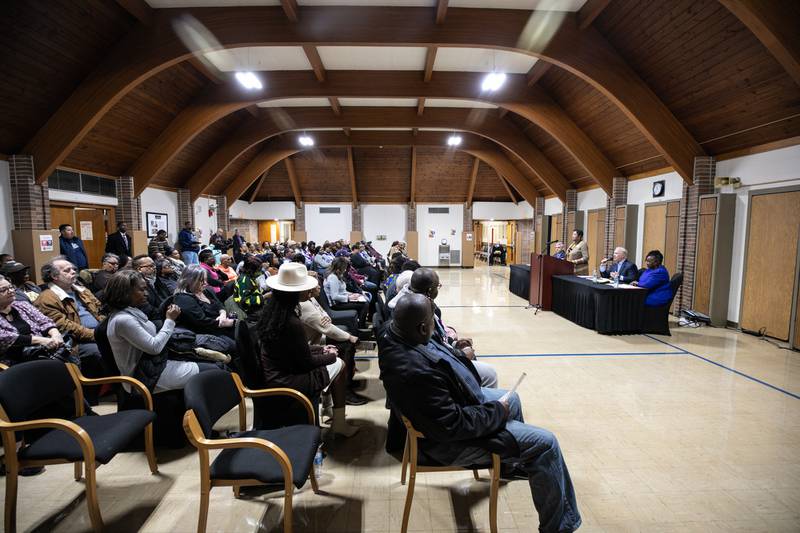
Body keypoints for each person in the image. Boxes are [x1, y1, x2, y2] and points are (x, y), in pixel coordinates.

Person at [378, 294, 581, 533]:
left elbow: (437, 359)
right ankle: (559, 527)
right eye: (431, 323)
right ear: (422, 328)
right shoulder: (416, 372)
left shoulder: (395, 332)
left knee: (512, 398)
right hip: (449, 443)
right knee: (547, 443)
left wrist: (458, 352)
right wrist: (496, 412)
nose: (433, 326)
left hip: (454, 407)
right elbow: (453, 425)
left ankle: (509, 463)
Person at [258, 263, 359, 436]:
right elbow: (306, 363)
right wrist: (331, 356)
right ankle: (339, 422)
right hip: (287, 380)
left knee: (332, 359)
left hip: (279, 370)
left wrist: (321, 350)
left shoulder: (277, 312)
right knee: (340, 364)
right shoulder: (291, 322)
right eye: (306, 288)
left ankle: (328, 410)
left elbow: (297, 350)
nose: (310, 291)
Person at [105, 270, 215, 392]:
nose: (146, 293)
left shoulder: (132, 311)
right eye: (141, 290)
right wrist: (170, 320)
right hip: (145, 375)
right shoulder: (123, 319)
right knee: (216, 371)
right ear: (125, 293)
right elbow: (154, 347)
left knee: (212, 359)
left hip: (156, 364)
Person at [408, 268, 498, 388]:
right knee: (490, 374)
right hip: (439, 367)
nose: (438, 289)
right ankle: (478, 401)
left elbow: (438, 339)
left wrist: (454, 343)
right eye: (437, 286)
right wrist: (460, 355)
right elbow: (431, 350)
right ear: (429, 290)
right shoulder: (420, 311)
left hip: (442, 354)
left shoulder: (416, 302)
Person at [299, 271, 368, 406]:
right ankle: (344, 388)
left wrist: (324, 319)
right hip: (311, 345)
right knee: (346, 343)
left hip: (316, 340)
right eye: (316, 284)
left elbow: (325, 316)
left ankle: (346, 380)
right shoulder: (304, 304)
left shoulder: (310, 299)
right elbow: (326, 327)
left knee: (346, 342)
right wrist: (349, 336)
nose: (320, 287)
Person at [35, 256, 106, 378]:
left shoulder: (82, 290)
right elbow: (65, 327)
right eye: (67, 270)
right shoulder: (46, 298)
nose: (73, 272)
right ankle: (90, 392)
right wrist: (98, 335)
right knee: (99, 352)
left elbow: (100, 311)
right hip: (75, 342)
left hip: (99, 332)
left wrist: (109, 328)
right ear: (54, 276)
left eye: (73, 269)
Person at [0, 275, 64, 366]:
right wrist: (42, 340)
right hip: (14, 362)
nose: (10, 291)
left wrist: (56, 335)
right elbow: (7, 337)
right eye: (3, 290)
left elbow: (44, 321)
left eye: (11, 287)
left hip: (43, 352)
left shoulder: (22, 305)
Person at [173, 265, 235, 339]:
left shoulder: (206, 290)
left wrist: (222, 314)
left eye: (205, 280)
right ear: (189, 281)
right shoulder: (183, 298)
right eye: (201, 281)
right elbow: (202, 322)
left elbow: (219, 304)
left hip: (221, 325)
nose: (205, 283)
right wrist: (228, 323)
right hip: (207, 333)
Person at [324, 257, 369, 328]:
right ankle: (361, 327)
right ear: (339, 269)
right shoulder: (333, 278)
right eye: (344, 268)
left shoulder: (336, 275)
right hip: (336, 305)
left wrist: (351, 294)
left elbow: (341, 291)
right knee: (364, 305)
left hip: (340, 301)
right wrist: (349, 297)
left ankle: (359, 324)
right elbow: (334, 296)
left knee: (363, 301)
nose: (345, 270)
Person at [132, 255, 169, 320]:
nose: (154, 268)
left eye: (154, 265)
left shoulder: (157, 281)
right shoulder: (136, 286)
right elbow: (147, 309)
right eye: (151, 266)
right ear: (139, 269)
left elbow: (167, 297)